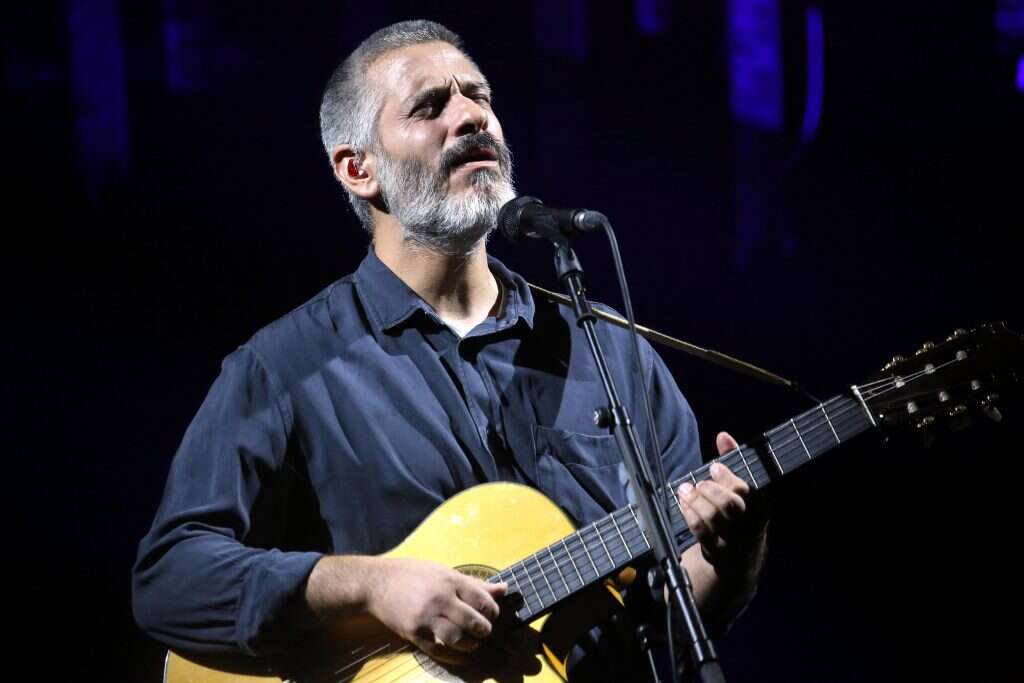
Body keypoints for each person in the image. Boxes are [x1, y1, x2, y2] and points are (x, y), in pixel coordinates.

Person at [132, 19, 768, 678]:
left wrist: (732, 555)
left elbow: (673, 622)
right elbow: (169, 578)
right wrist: (370, 585)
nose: (470, 117)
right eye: (430, 106)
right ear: (358, 169)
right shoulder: (284, 367)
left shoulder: (609, 348)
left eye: (479, 96)